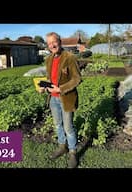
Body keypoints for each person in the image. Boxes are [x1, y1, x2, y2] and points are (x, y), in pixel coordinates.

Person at [38, 32, 82, 168]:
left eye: (54, 42)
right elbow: (50, 79)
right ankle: (62, 146)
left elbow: (77, 79)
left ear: (60, 42)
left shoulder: (70, 57)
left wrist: (60, 89)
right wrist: (44, 87)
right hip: (53, 99)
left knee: (68, 127)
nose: (52, 45)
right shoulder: (49, 59)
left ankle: (73, 152)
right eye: (49, 43)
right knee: (58, 125)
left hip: (66, 98)